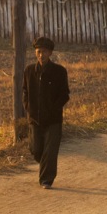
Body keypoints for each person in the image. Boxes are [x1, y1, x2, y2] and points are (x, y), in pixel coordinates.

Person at [23, 36, 70, 189]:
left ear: (50, 53)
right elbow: (25, 91)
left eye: (44, 52)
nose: (40, 55)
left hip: (53, 120)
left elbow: (64, 95)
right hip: (35, 119)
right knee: (36, 150)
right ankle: (45, 164)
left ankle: (46, 180)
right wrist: (28, 107)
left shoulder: (59, 72)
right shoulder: (29, 71)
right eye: (38, 52)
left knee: (50, 151)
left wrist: (54, 109)